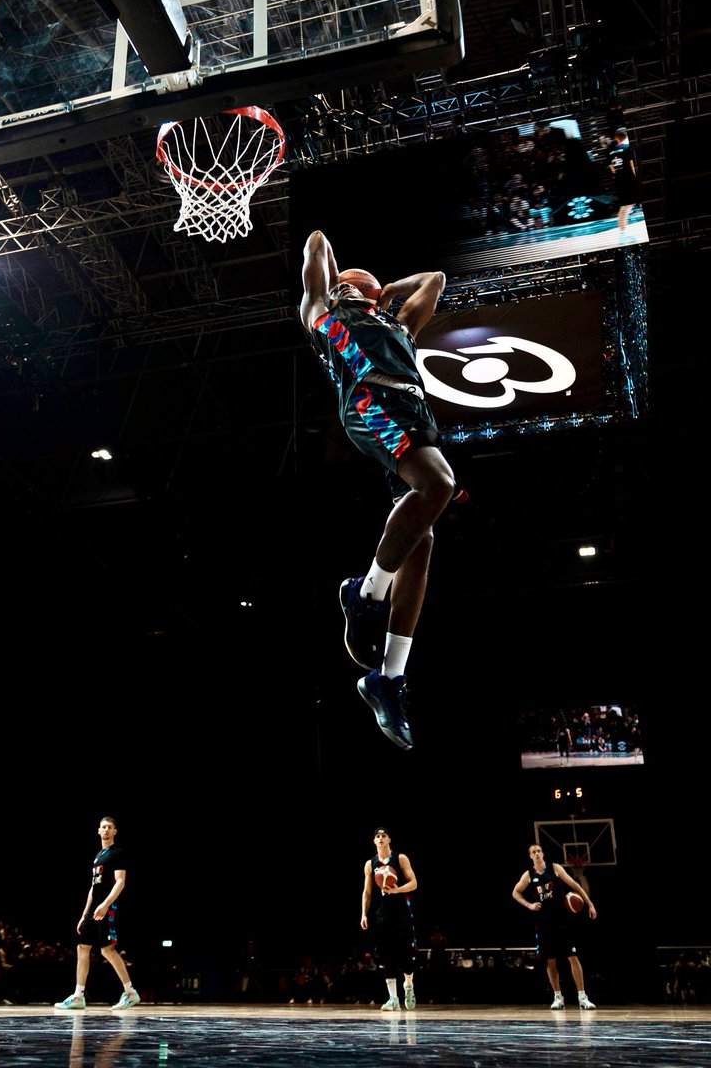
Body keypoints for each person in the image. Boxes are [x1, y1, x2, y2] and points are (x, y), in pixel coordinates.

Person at [300, 229, 459, 751]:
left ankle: (388, 678)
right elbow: (317, 242)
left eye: (360, 286)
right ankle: (365, 593)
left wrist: (388, 290)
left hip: (413, 410)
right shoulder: (323, 313)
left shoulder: (397, 324)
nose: (353, 287)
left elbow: (435, 279)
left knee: (422, 539)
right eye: (348, 284)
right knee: (439, 483)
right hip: (370, 404)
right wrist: (340, 285)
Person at [54, 816, 141, 1012]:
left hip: (108, 908)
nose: (106, 830)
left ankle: (130, 992)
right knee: (82, 948)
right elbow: (93, 888)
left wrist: (105, 904)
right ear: (98, 831)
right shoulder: (98, 856)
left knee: (107, 950)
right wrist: (84, 915)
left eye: (110, 827)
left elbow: (120, 882)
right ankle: (78, 996)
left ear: (115, 831)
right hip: (93, 910)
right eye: (103, 827)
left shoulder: (118, 853)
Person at [512, 843, 598, 1010]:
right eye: (534, 852)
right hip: (543, 923)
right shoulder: (528, 875)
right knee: (550, 961)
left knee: (573, 957)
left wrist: (590, 904)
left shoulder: (555, 868)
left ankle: (582, 997)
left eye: (539, 851)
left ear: (543, 853)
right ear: (530, 856)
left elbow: (575, 885)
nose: (537, 853)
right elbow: (515, 892)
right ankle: (558, 997)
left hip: (562, 920)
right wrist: (529, 905)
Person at [360, 827, 418, 1011]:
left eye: (384, 836)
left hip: (401, 912)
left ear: (389, 839)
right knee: (387, 956)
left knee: (406, 956)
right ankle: (393, 999)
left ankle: (408, 986)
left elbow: (414, 883)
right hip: (382, 915)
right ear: (374, 841)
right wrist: (363, 913)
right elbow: (367, 891)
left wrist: (397, 890)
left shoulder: (400, 858)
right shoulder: (370, 864)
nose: (381, 838)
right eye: (377, 836)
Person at [607, 126, 640, 231]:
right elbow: (632, 165)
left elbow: (612, 169)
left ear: (616, 138)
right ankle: (622, 230)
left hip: (618, 180)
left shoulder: (610, 151)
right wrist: (636, 178)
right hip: (628, 179)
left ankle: (621, 228)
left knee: (624, 205)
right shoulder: (627, 148)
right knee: (629, 205)